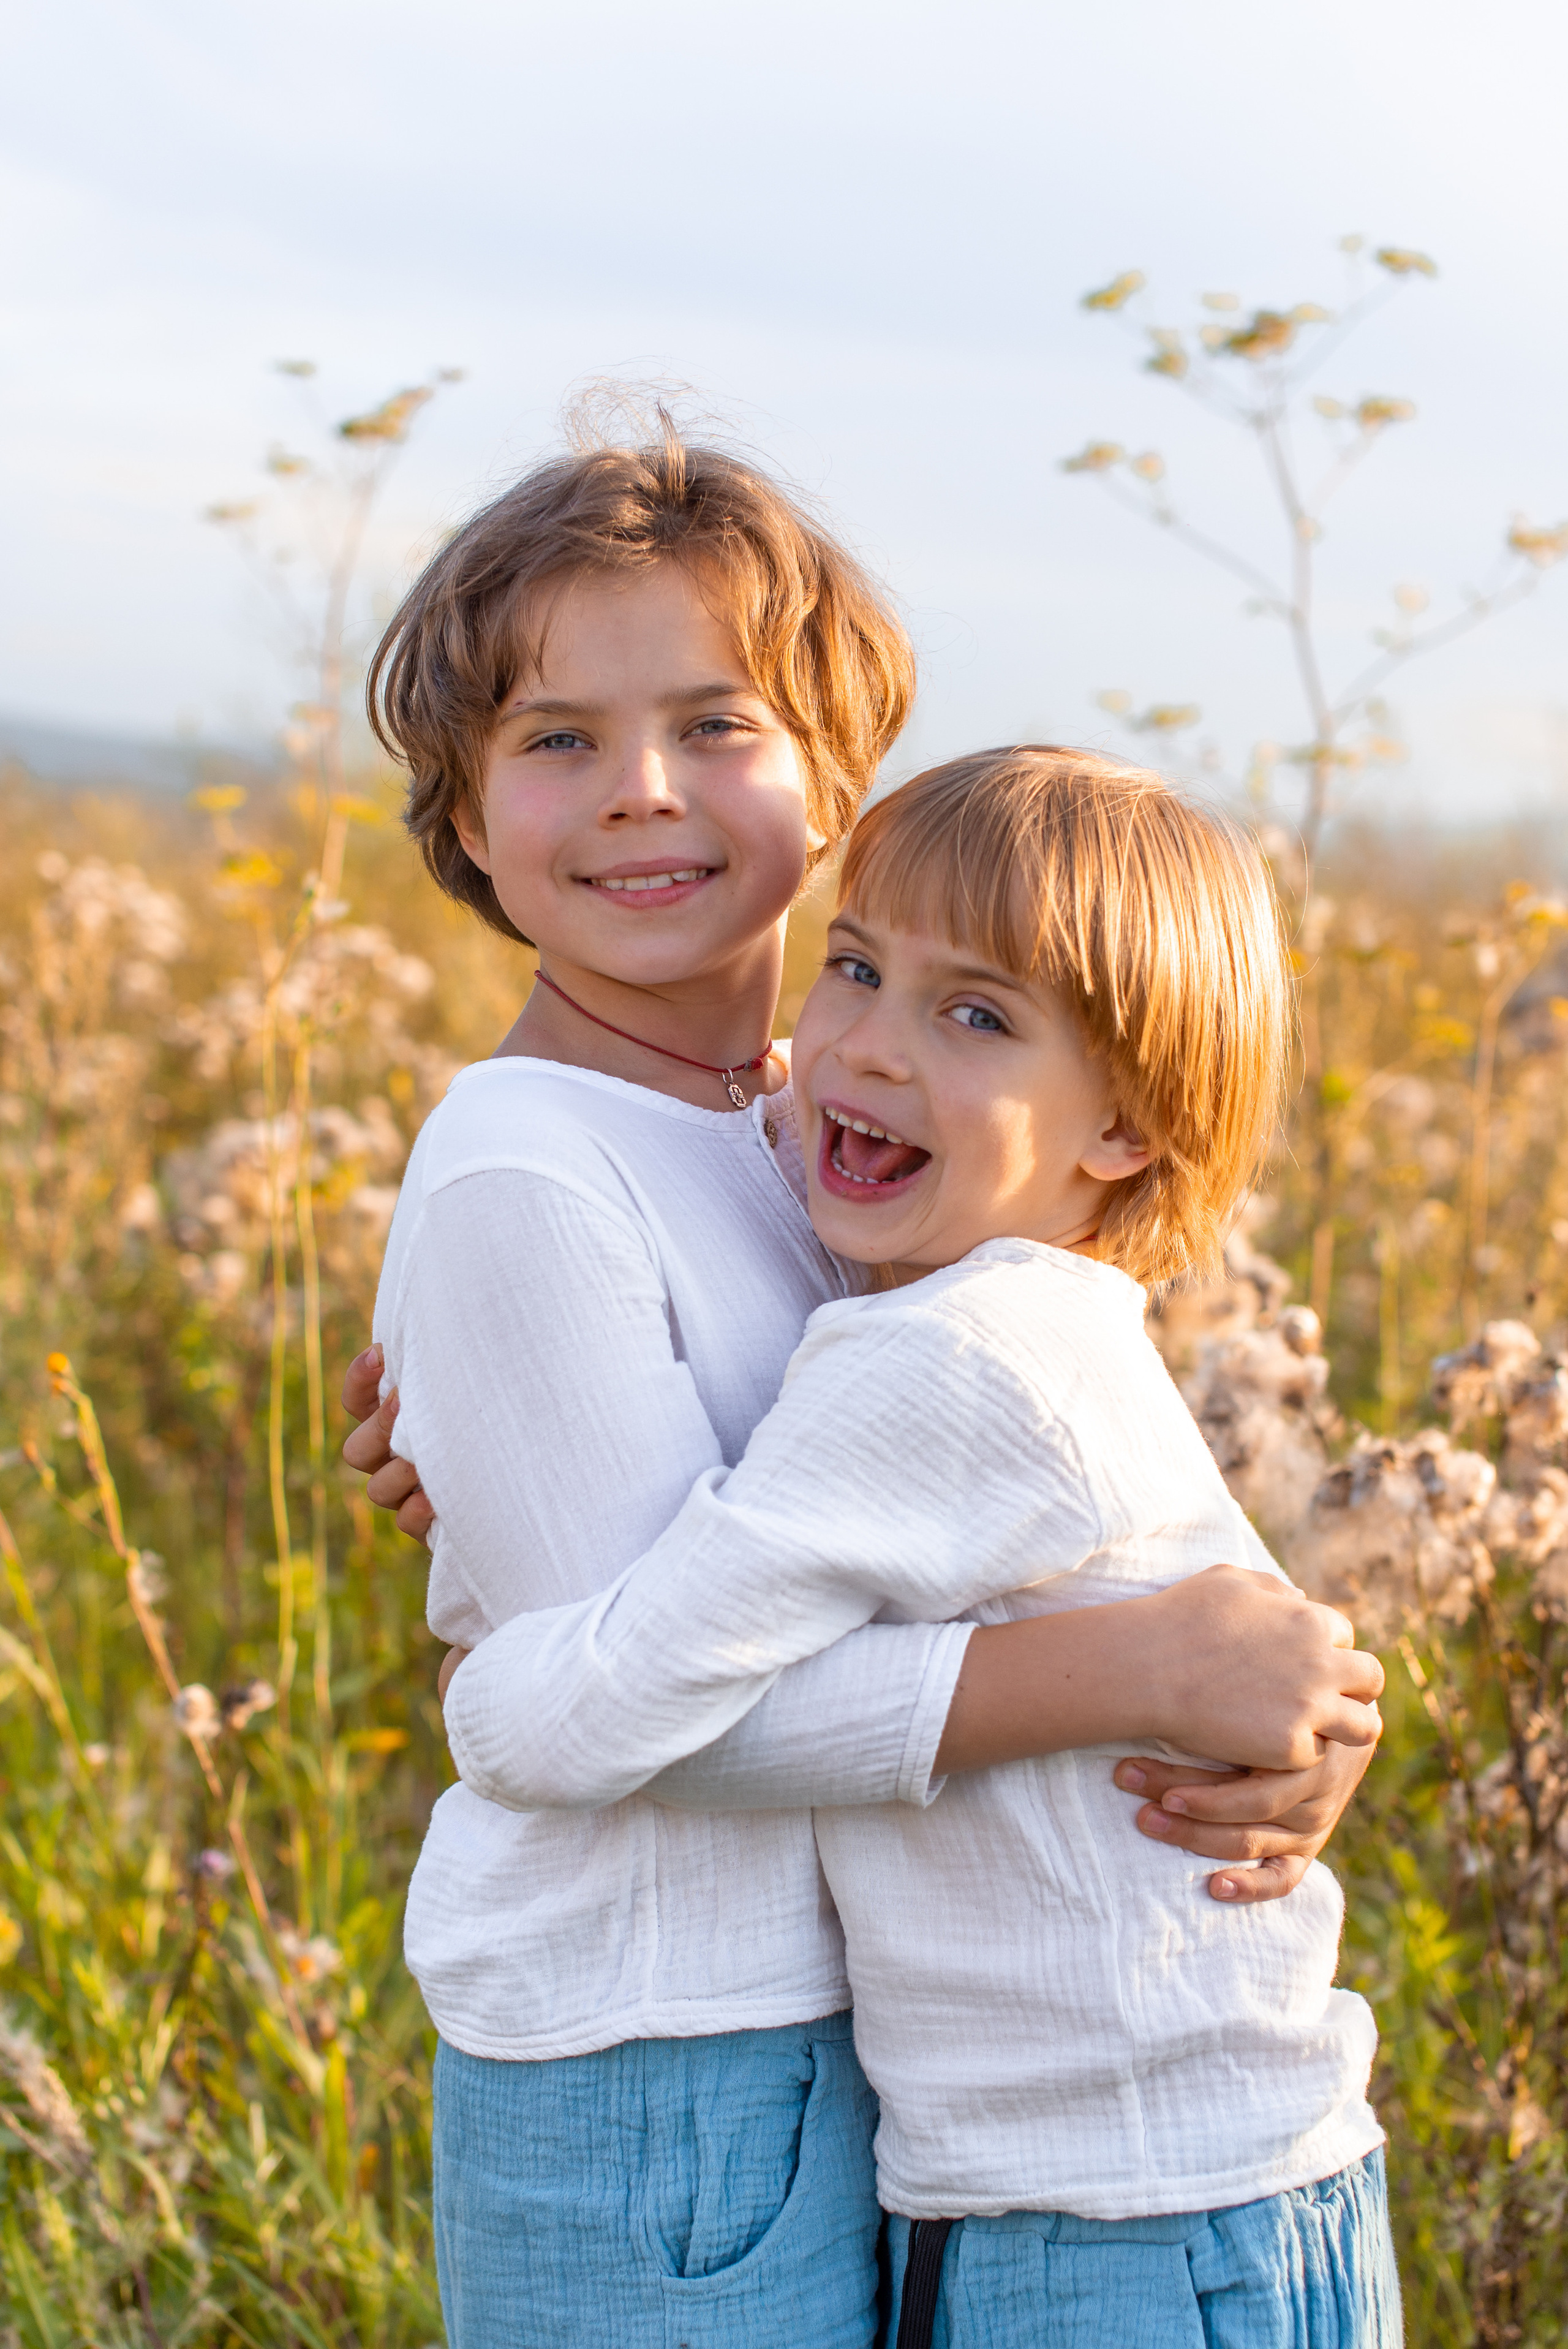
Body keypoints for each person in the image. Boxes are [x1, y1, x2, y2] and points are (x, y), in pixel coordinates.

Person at [344, 426, 1382, 2348]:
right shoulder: (525, 1164)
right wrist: (1150, 1674)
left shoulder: (817, 1141)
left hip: (867, 2041)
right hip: (656, 2037)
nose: (643, 791)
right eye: (556, 737)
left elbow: (1000, 1516)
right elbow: (645, 1707)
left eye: (717, 722)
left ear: (838, 784)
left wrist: (1292, 1696)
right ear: (469, 820)